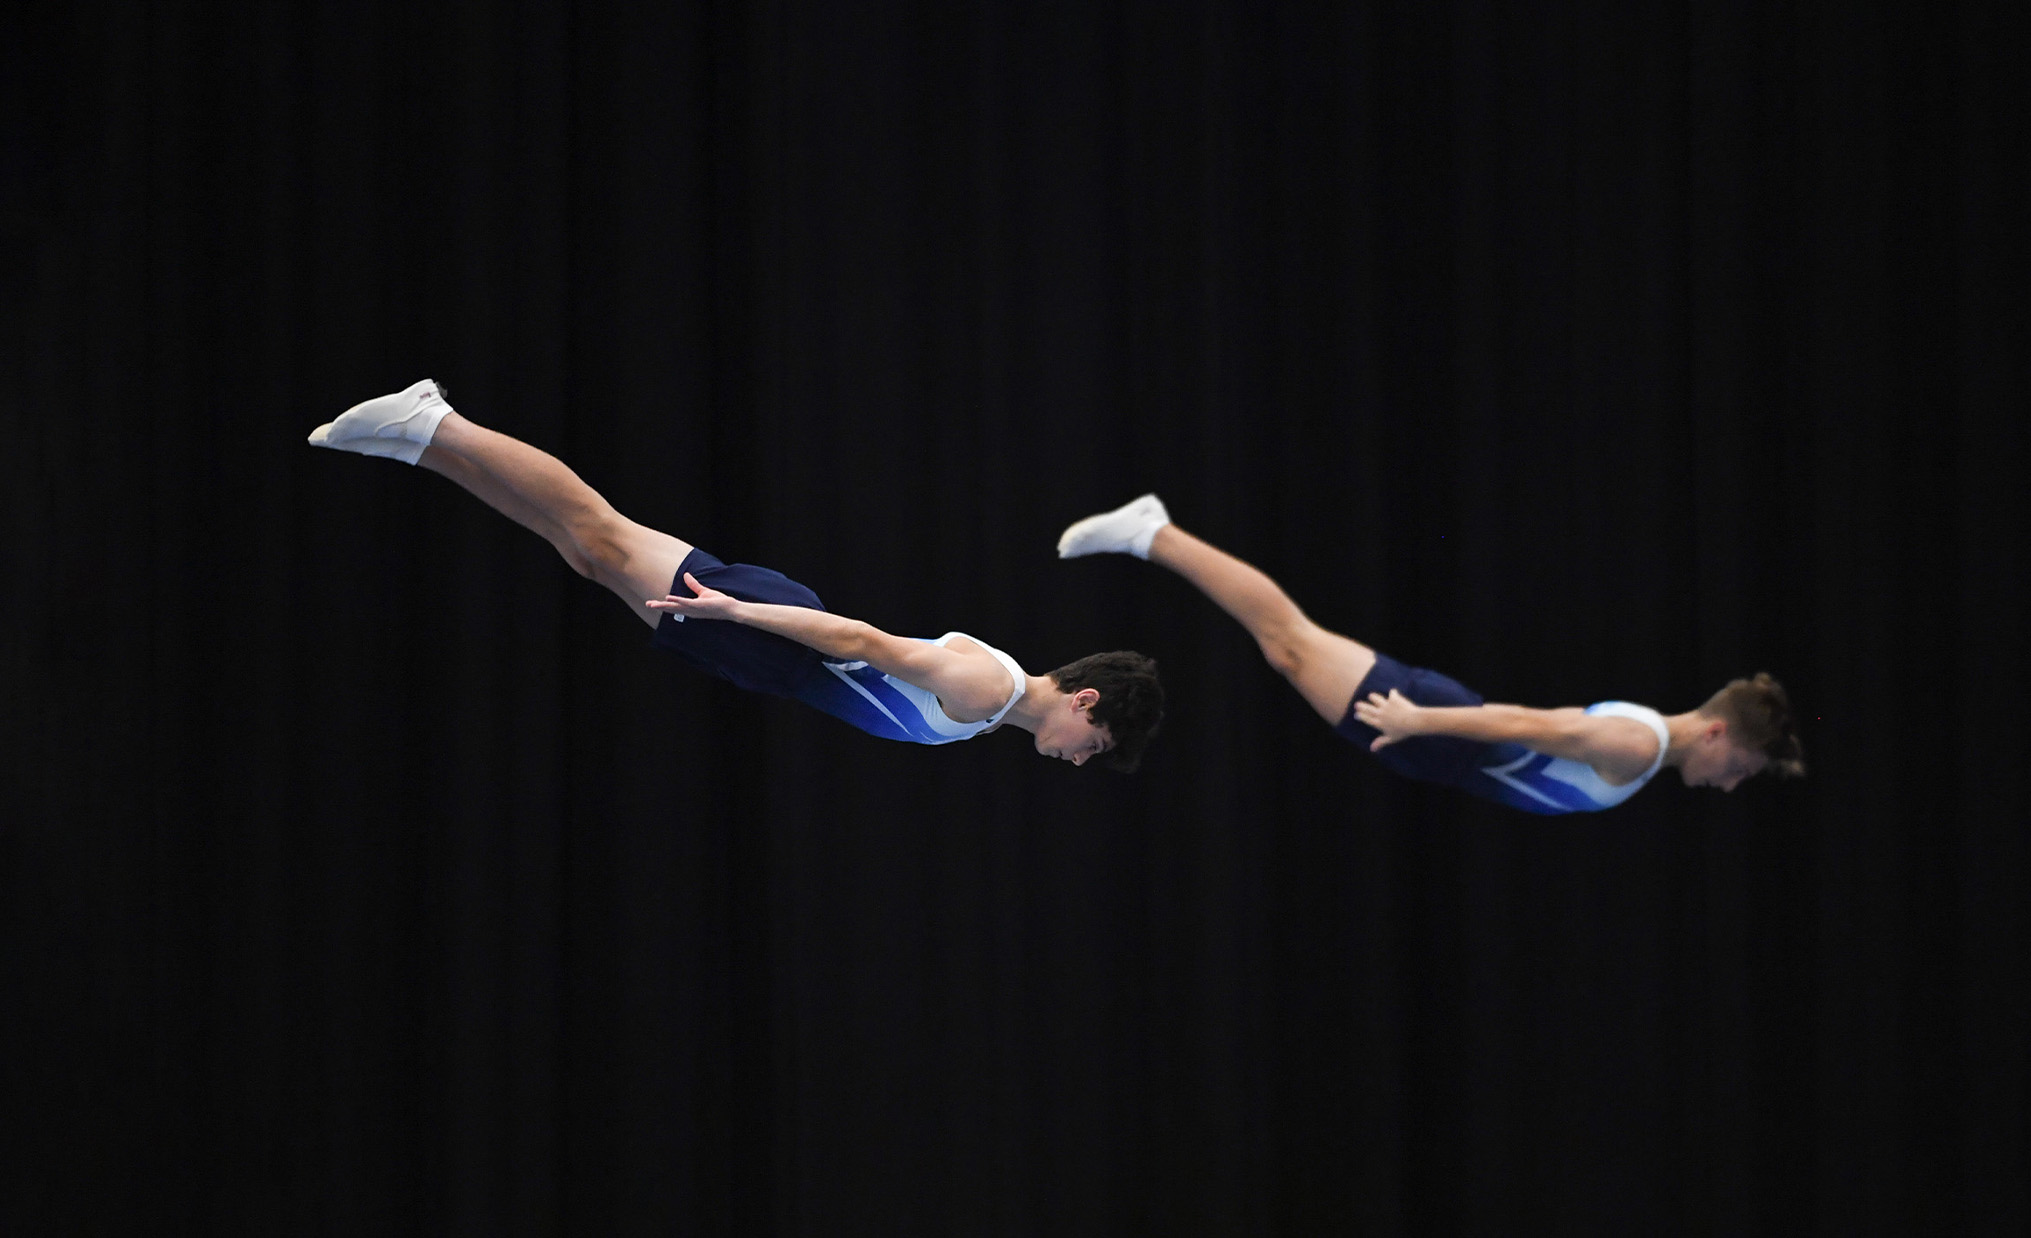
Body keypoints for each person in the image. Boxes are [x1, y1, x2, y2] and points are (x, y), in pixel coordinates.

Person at [308, 381, 1164, 769]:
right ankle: (438, 421)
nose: (1081, 761)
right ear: (1085, 704)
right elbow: (861, 640)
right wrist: (739, 613)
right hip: (772, 632)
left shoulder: (997, 708)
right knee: (599, 533)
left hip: (767, 652)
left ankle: (420, 445)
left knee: (580, 553)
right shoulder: (985, 687)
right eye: (1097, 749)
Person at [1055, 494, 1800, 811]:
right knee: (1289, 642)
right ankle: (1153, 534)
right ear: (1715, 732)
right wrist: (1421, 723)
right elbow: (1526, 726)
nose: (1728, 785)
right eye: (1736, 768)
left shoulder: (1646, 748)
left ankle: (1153, 535)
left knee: (1289, 648)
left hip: (1439, 742)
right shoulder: (1637, 745)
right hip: (1441, 727)